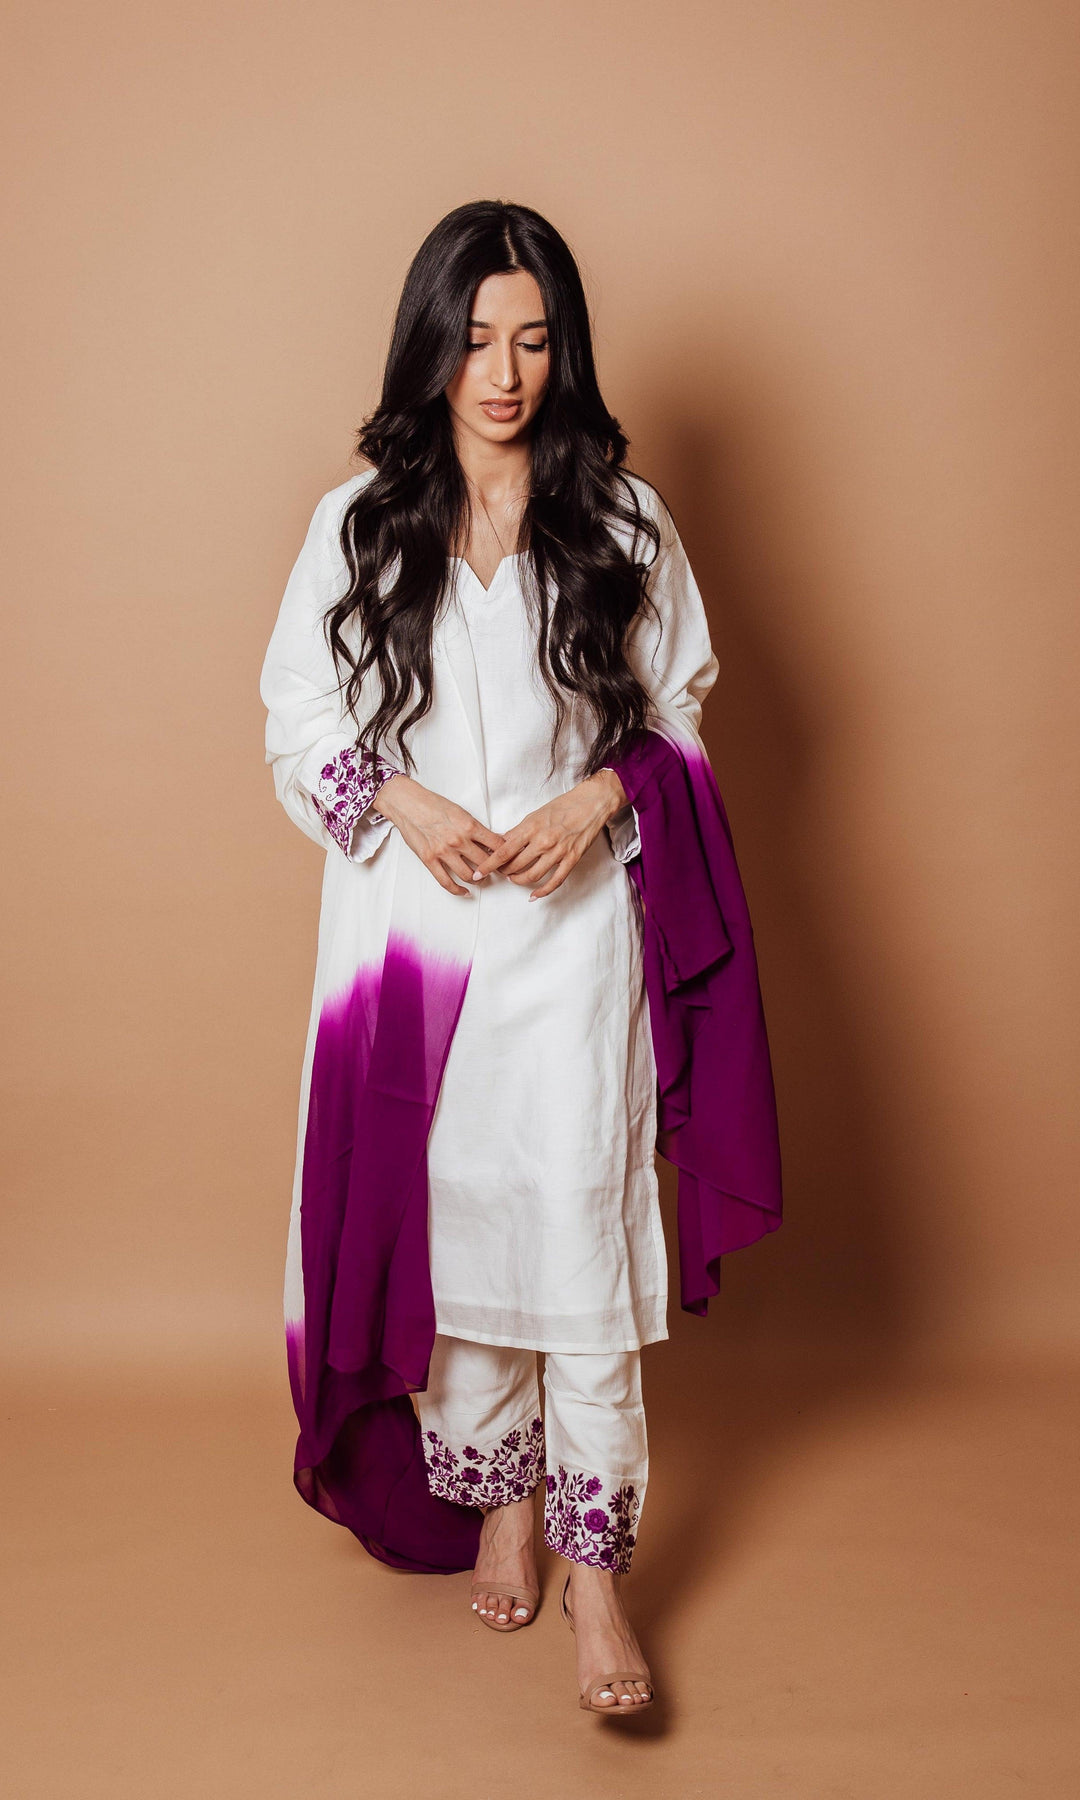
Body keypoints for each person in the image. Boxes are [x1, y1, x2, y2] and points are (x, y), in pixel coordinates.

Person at [260, 199, 781, 1718]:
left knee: (581, 1227)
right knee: (460, 1228)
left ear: (567, 352)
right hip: (414, 945)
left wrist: (600, 799)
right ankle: (499, 1497)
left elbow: (678, 713)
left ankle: (597, 1569)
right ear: (430, 344)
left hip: (576, 930)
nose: (503, 373)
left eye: (534, 340)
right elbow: (297, 720)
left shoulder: (622, 521)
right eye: (477, 338)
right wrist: (400, 801)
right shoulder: (358, 524)